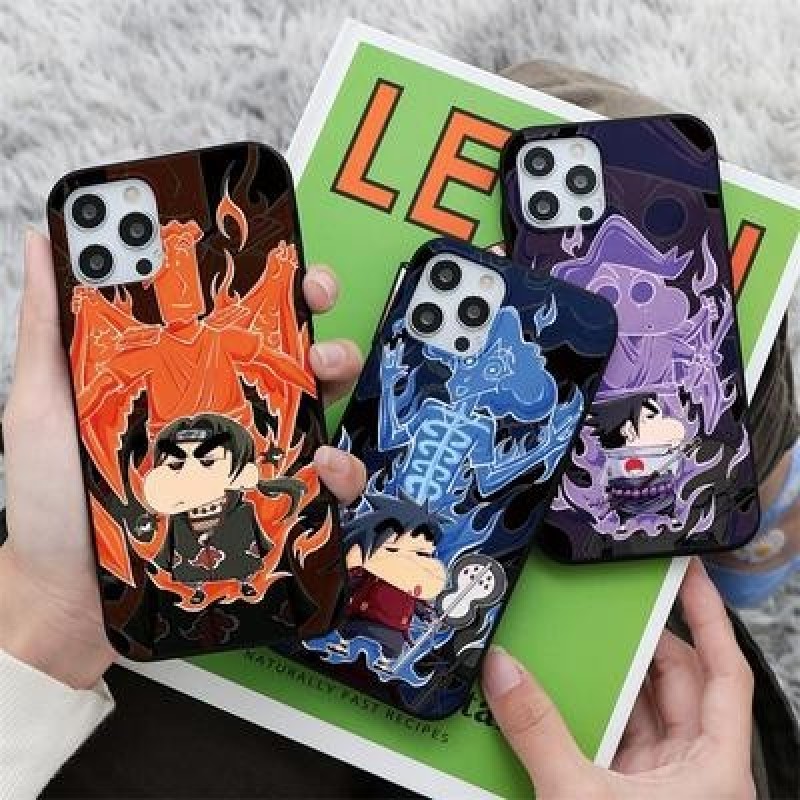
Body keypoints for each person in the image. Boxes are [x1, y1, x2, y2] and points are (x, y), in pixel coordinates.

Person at [0, 63, 798, 799]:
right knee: (715, 400)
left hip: (101, 695)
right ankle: (747, 514)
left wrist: (43, 612)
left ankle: (731, 512)